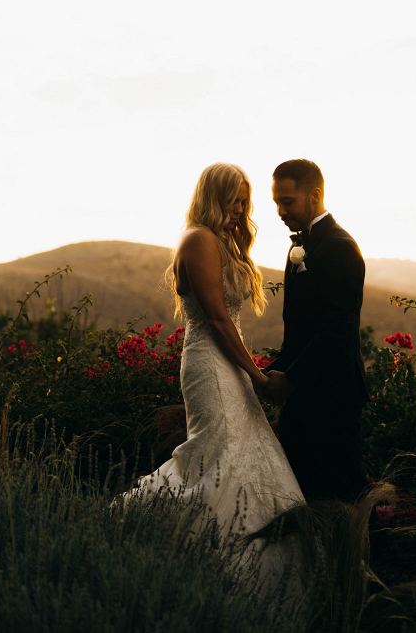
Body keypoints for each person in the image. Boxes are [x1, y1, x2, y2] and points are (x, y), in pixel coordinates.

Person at [120, 162, 304, 544]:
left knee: (241, 451)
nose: (240, 210)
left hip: (228, 365)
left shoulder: (219, 241)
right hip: (210, 363)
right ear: (211, 198)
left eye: (243, 202)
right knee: (215, 456)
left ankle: (232, 540)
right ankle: (159, 533)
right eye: (232, 201)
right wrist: (259, 377)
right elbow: (219, 321)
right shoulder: (200, 240)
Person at [265, 159, 369, 503]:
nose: (280, 210)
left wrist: (289, 378)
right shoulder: (300, 246)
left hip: (332, 398)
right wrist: (274, 370)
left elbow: (336, 330)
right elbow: (300, 327)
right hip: (303, 396)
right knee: (302, 497)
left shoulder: (339, 246)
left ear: (315, 195)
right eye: (276, 202)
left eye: (288, 202)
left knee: (339, 500)